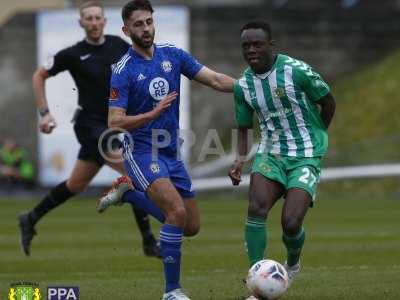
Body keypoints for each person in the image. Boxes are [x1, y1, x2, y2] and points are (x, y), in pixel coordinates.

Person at [95, 1, 235, 299]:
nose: (145, 29)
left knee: (191, 226)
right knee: (176, 211)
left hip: (170, 151)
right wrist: (150, 115)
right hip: (142, 151)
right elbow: (114, 121)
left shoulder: (172, 54)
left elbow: (214, 79)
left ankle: (128, 193)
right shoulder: (122, 70)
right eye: (138, 24)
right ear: (126, 29)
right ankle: (172, 291)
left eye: (148, 22)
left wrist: (250, 88)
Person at [18, 0, 160, 258]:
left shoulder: (119, 46)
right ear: (81, 23)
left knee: (75, 184)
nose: (94, 22)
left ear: (105, 22)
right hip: (89, 125)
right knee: (134, 171)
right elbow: (39, 75)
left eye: (98, 18)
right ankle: (149, 242)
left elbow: (139, 69)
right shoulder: (73, 54)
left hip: (113, 125)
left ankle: (30, 217)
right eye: (89, 18)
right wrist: (44, 112)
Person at [228, 21, 336, 299]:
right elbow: (244, 129)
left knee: (290, 222)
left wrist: (316, 136)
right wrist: (240, 160)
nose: (251, 50)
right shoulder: (243, 86)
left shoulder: (295, 71)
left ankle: (293, 263)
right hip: (270, 154)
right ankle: (255, 280)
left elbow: (328, 102)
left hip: (305, 156)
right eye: (246, 46)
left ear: (270, 45)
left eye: (257, 44)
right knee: (256, 208)